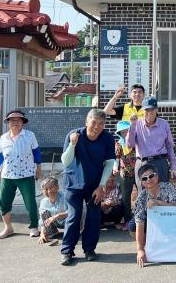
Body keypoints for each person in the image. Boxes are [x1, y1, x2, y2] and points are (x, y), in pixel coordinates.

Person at [60, 109, 116, 266]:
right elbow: (65, 161)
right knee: (74, 216)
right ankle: (67, 251)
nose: (97, 126)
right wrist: (72, 144)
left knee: (93, 217)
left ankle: (89, 249)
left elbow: (109, 163)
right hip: (73, 183)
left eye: (101, 123)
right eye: (94, 122)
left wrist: (101, 186)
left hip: (95, 185)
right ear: (86, 121)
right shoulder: (75, 135)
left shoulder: (107, 138)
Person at [0, 109, 42, 239]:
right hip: (7, 175)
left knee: (30, 202)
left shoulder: (30, 135)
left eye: (18, 120)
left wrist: (38, 168)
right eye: (12, 120)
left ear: (22, 122)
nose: (15, 122)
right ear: (8, 122)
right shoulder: (3, 138)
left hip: (26, 174)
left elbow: (36, 152)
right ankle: (8, 228)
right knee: (4, 202)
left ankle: (34, 227)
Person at [127, 96, 176, 189]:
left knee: (162, 192)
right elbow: (129, 145)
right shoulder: (136, 124)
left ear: (156, 110)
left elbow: (170, 147)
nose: (149, 112)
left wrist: (173, 167)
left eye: (152, 109)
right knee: (143, 194)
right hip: (142, 163)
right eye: (146, 110)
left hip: (160, 163)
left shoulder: (164, 124)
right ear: (143, 110)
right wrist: (132, 126)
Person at [134, 164, 176, 267]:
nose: (149, 179)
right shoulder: (141, 197)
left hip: (171, 224)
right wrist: (140, 250)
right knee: (132, 225)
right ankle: (148, 245)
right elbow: (139, 223)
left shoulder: (168, 187)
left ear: (157, 176)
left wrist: (157, 202)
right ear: (141, 182)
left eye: (151, 176)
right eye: (145, 178)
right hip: (153, 227)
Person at [114, 120, 136, 230]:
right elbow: (116, 158)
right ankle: (128, 221)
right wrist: (115, 167)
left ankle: (142, 220)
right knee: (126, 198)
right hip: (125, 173)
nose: (125, 134)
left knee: (141, 195)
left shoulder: (137, 141)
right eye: (122, 132)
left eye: (127, 131)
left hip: (138, 172)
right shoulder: (118, 144)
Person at [38, 177, 68, 244]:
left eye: (51, 188)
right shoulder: (43, 202)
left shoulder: (66, 197)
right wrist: (42, 234)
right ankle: (53, 232)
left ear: (57, 187)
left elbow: (73, 212)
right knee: (44, 213)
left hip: (68, 221)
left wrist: (57, 216)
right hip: (57, 222)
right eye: (45, 189)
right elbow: (42, 220)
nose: (49, 191)